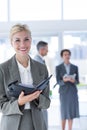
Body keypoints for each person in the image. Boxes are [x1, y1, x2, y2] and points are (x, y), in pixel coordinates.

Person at [0, 24, 50, 130]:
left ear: (31, 41)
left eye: (26, 39)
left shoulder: (41, 68)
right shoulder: (2, 69)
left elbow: (47, 103)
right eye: (17, 40)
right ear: (11, 42)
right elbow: (2, 106)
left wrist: (36, 97)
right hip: (12, 124)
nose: (22, 44)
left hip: (37, 123)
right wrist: (19, 102)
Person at [55, 49, 79, 130]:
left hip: (72, 92)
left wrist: (73, 81)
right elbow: (58, 81)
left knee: (71, 112)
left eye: (68, 54)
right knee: (64, 112)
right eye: (65, 54)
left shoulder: (75, 67)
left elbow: (77, 81)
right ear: (62, 56)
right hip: (64, 92)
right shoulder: (58, 67)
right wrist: (63, 81)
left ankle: (70, 129)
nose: (67, 56)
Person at [34, 41, 49, 129]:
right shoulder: (37, 61)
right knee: (41, 120)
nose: (47, 51)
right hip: (39, 94)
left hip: (41, 94)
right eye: (46, 49)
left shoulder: (40, 60)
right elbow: (38, 80)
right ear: (42, 49)